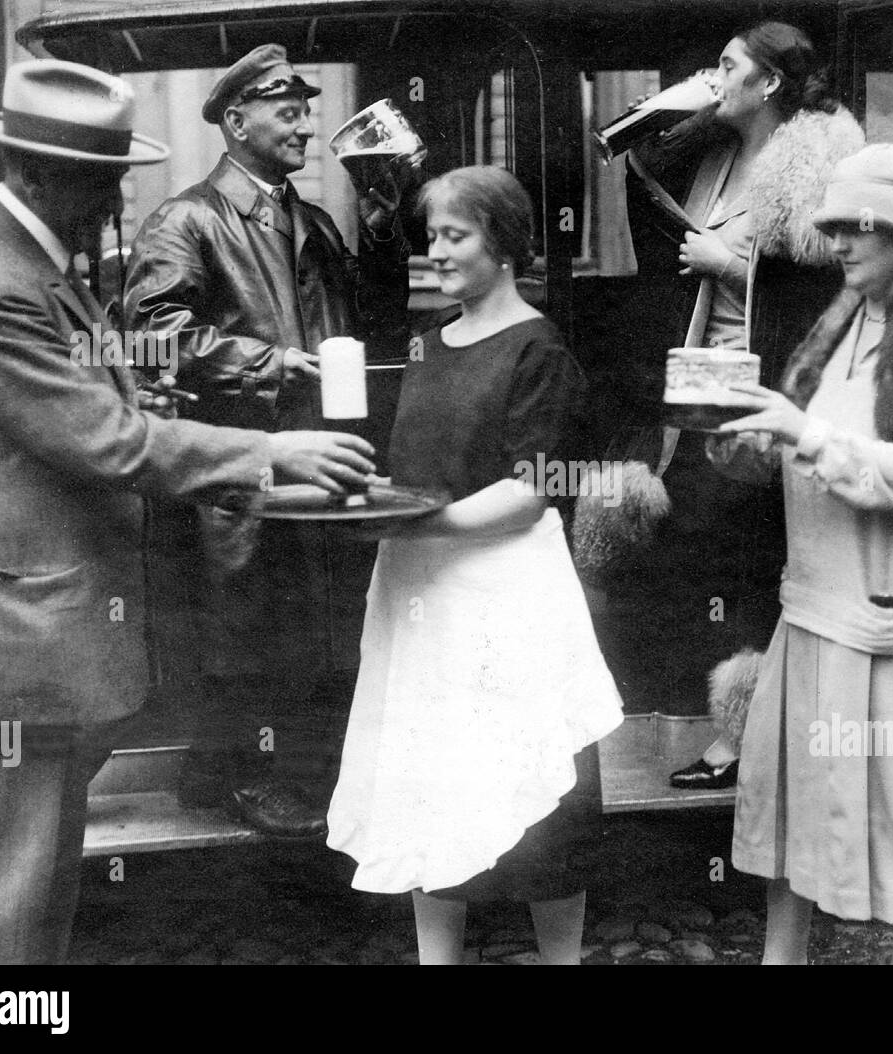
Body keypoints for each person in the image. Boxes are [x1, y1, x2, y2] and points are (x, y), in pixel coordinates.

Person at [0, 59, 379, 964]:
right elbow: (103, 441)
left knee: (32, 892)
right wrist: (268, 452)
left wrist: (243, 469)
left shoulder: (29, 263)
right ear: (32, 172)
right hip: (14, 644)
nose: (117, 191)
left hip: (39, 635)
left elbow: (108, 418)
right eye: (101, 173)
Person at [709, 143, 893, 963]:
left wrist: (803, 432)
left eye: (858, 227)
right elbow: (817, 443)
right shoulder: (840, 323)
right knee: (795, 821)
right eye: (832, 225)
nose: (837, 242)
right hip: (816, 612)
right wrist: (748, 440)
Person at [325, 166, 623, 965]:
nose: (438, 254)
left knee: (535, 787)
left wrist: (420, 523)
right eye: (432, 238)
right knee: (429, 777)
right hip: (421, 594)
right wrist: (373, 507)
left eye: (455, 236)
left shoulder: (539, 350)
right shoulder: (427, 344)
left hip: (505, 596)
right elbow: (415, 467)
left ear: (503, 246)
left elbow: (530, 496)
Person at [123, 44, 412, 837]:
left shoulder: (313, 220)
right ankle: (232, 778)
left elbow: (375, 315)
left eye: (305, 109)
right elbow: (154, 333)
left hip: (315, 456)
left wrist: (384, 219)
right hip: (240, 459)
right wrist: (269, 361)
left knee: (308, 626)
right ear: (235, 120)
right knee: (244, 626)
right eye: (286, 111)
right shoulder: (186, 219)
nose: (305, 125)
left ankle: (268, 779)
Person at [582, 21, 863, 789]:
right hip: (699, 382)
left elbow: (825, 295)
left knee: (737, 561)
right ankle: (672, 720)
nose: (715, 74)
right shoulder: (716, 150)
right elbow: (638, 182)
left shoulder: (814, 166)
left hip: (764, 393)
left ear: (768, 83)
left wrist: (731, 265)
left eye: (727, 66)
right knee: (673, 544)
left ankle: (743, 739)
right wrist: (662, 117)